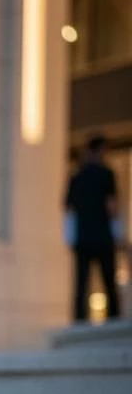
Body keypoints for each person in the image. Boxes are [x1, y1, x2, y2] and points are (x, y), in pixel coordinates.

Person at [64, 135, 121, 322]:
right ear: (100, 150)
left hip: (82, 237)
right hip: (102, 235)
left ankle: (79, 318)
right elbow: (111, 205)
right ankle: (113, 317)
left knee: (81, 282)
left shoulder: (76, 177)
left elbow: (68, 208)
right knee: (108, 279)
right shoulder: (106, 174)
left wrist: (69, 237)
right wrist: (118, 233)